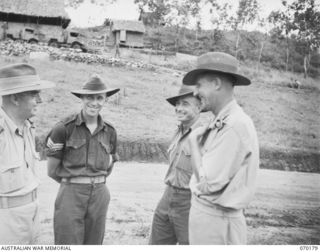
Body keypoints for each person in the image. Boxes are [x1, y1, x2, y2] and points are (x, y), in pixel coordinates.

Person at [183, 52, 259, 245]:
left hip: (217, 223)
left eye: (199, 85)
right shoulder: (223, 120)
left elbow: (207, 184)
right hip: (209, 218)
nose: (195, 92)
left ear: (216, 83)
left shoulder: (234, 125)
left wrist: (193, 142)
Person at [46, 75, 120, 245]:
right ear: (82, 98)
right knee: (68, 242)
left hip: (100, 193)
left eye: (99, 98)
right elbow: (51, 171)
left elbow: (111, 162)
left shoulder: (110, 131)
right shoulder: (63, 128)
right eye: (90, 97)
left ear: (105, 100)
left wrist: (98, 182)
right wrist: (74, 183)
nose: (95, 103)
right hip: (71, 193)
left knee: (94, 243)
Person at [0, 63, 55, 244]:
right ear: (15, 98)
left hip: (32, 213)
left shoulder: (27, 127)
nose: (39, 100)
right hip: (6, 221)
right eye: (34, 94)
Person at [149, 85, 202, 245]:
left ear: (199, 107)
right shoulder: (178, 131)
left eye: (185, 104)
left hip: (189, 200)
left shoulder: (204, 135)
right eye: (177, 104)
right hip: (168, 194)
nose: (178, 108)